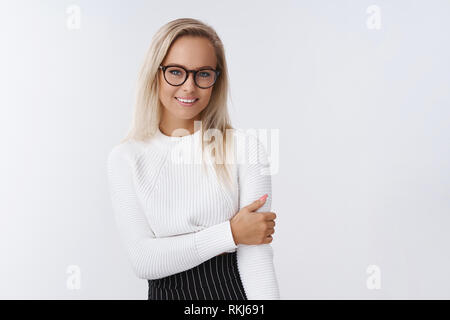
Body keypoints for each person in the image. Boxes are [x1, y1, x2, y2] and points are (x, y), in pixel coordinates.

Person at [106, 18, 279, 300]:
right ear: (155, 73)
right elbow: (144, 260)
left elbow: (256, 255)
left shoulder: (245, 148)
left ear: (216, 80)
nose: (189, 87)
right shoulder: (126, 158)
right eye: (176, 72)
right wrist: (231, 234)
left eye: (203, 74)